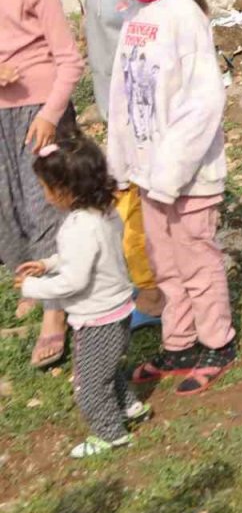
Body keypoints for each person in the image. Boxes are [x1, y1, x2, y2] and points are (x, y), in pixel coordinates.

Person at [97, 0, 236, 396]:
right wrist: (121, 167)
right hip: (147, 174)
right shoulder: (137, 16)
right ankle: (179, 343)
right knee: (164, 264)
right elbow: (123, 99)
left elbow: (202, 103)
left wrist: (169, 173)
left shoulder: (182, 15)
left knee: (197, 259)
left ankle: (218, 340)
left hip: (188, 176)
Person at [61, 0, 164, 327]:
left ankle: (155, 298)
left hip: (141, 117)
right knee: (134, 207)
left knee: (138, 211)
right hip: (117, 112)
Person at [15, 133, 152, 458]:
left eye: (47, 188)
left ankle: (110, 435)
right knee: (106, 369)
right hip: (118, 309)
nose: (45, 195)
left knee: (89, 384)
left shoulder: (78, 227)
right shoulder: (105, 212)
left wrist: (33, 288)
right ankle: (131, 407)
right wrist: (47, 263)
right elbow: (87, 256)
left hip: (96, 318)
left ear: (65, 190)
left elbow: (72, 282)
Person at [0, 0, 83, 368]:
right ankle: (28, 281)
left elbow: (69, 61)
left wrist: (51, 115)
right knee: (7, 205)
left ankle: (55, 314)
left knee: (45, 203)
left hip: (39, 111)